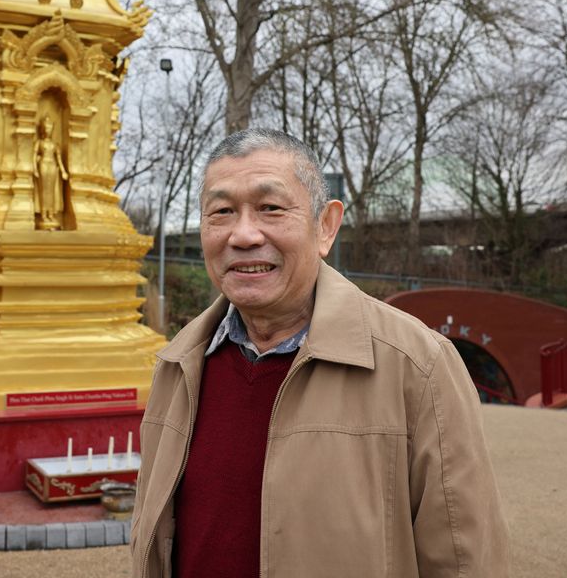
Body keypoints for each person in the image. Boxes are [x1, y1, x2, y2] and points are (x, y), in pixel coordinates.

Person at [130, 128, 508, 577]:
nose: (243, 235)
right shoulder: (178, 366)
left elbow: (465, 561)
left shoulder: (417, 365)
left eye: (271, 208)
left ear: (326, 226)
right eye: (222, 212)